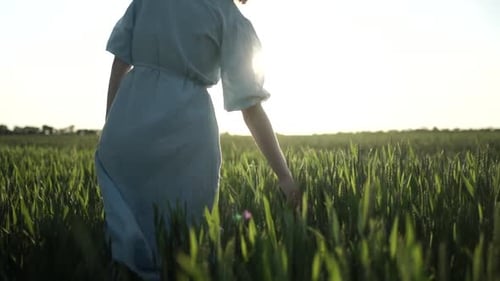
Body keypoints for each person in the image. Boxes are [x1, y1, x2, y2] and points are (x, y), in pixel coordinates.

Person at [95, 0, 301, 280]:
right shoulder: (227, 16)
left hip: (129, 123)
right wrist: (284, 175)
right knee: (183, 243)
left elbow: (120, 62)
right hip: (186, 136)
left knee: (124, 234)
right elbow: (251, 109)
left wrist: (111, 126)